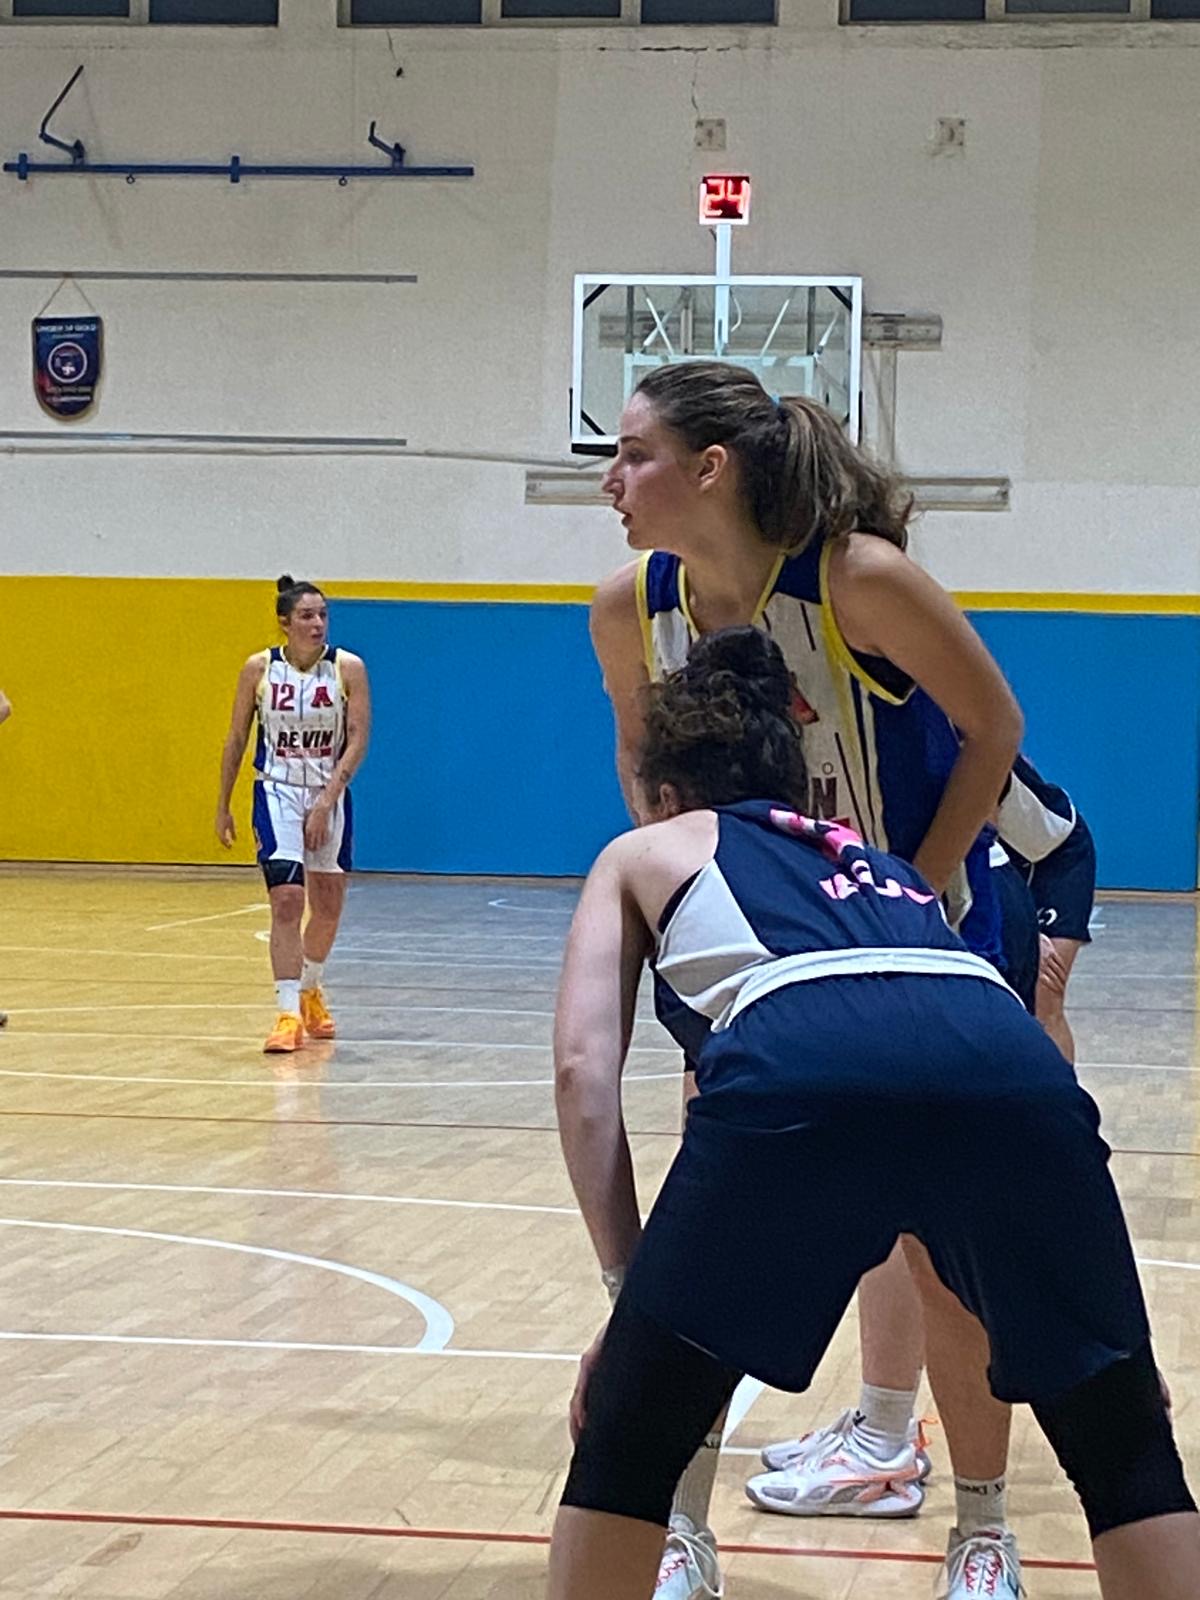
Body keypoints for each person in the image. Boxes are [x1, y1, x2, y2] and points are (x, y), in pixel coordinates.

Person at [548, 627, 1199, 1600]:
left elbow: (582, 1069)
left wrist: (627, 1293)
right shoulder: (883, 866)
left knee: (628, 1438)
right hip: (1011, 1066)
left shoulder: (646, 848)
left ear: (665, 793)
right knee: (1125, 1444)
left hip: (802, 1061)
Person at [591, 362, 1030, 1596]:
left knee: (942, 1256)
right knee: (709, 1250)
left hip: (917, 945)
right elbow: (644, 769)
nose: (610, 479)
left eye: (632, 453)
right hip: (756, 963)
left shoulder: (857, 580)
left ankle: (983, 1535)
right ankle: (683, 1533)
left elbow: (995, 728)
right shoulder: (631, 609)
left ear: (710, 468)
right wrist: (689, 900)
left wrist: (915, 889)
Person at [215, 576, 370, 1053]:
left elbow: (358, 739)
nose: (317, 623)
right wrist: (222, 805)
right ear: (285, 622)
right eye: (307, 615)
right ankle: (286, 1015)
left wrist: (325, 802)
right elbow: (237, 738)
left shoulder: (347, 667)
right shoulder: (259, 669)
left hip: (329, 791)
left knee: (328, 905)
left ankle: (309, 988)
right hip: (276, 790)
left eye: (323, 614)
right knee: (286, 900)